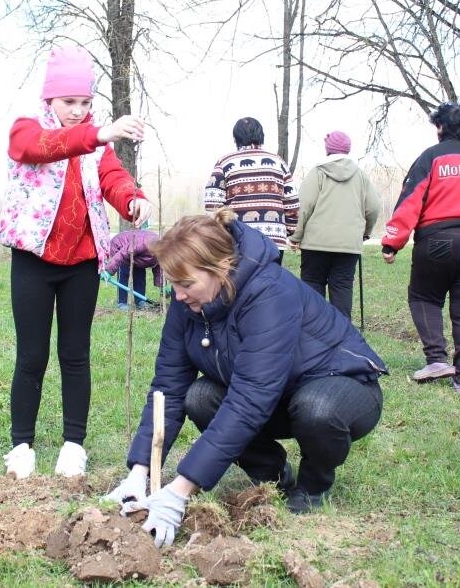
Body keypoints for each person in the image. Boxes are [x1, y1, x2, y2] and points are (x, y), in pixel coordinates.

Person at [105, 209, 387, 547]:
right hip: (276, 397)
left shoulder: (269, 292)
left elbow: (249, 400)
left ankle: (314, 486)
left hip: (341, 385)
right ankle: (273, 476)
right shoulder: (187, 303)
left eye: (186, 284)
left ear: (221, 268)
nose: (177, 295)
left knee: (316, 409)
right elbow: (169, 384)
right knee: (200, 397)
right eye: (173, 284)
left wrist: (181, 489)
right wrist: (140, 472)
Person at [0, 45, 153, 479]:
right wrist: (97, 134)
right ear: (49, 100)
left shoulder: (94, 145)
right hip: (33, 261)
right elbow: (41, 148)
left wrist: (132, 198)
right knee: (31, 355)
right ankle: (22, 445)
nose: (78, 112)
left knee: (75, 353)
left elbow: (112, 177)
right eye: (70, 103)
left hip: (82, 263)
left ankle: (73, 445)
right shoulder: (26, 130)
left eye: (86, 104)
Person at [381, 103, 460, 392]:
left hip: (439, 238)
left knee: (424, 297)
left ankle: (437, 359)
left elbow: (410, 201)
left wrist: (393, 242)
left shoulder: (432, 157)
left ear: (441, 128)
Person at [290, 130, 381, 319]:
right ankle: (341, 335)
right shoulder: (361, 176)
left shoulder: (317, 172)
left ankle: (314, 331)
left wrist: (295, 236)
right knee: (342, 286)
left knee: (313, 283)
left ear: (327, 149)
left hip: (316, 242)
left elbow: (303, 206)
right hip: (348, 244)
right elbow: (373, 207)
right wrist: (365, 232)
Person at [204, 117, 299, 257]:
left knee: (237, 279)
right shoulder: (279, 163)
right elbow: (292, 203)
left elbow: (212, 205)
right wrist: (290, 229)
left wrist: (221, 233)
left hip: (238, 239)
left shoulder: (224, 163)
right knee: (270, 278)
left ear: (236, 138)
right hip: (273, 239)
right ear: (261, 136)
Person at [106, 227, 162, 310]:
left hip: (137, 256)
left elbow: (158, 267)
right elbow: (122, 254)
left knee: (140, 275)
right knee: (124, 273)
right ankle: (122, 302)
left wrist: (162, 286)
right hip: (121, 248)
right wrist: (109, 271)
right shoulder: (143, 243)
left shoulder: (163, 251)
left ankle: (140, 301)